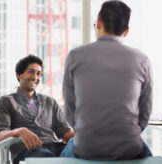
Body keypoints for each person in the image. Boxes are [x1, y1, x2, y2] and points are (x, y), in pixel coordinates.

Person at [62, 0, 153, 160]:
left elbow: (70, 111)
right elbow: (145, 113)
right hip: (128, 149)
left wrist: (86, 132)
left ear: (98, 23)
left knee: (68, 147)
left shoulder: (75, 56)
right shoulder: (142, 60)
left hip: (86, 148)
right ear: (126, 31)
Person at [0, 55, 74, 164]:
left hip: (56, 147)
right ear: (19, 75)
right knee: (48, 157)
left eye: (39, 74)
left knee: (79, 150)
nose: (35, 77)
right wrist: (19, 131)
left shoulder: (50, 102)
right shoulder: (7, 101)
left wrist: (82, 139)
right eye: (31, 72)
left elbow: (65, 133)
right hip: (28, 151)